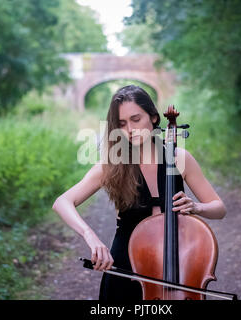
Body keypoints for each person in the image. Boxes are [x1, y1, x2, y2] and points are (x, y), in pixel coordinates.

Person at [52, 85, 227, 301]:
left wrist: (197, 207)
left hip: (179, 266)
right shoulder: (113, 164)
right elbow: (62, 202)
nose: (130, 129)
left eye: (136, 119)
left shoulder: (180, 158)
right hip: (127, 268)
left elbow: (219, 208)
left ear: (153, 118)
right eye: (122, 124)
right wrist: (92, 238)